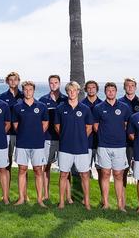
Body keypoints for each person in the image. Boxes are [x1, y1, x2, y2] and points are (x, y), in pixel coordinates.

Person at [54, 81, 95, 210]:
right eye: (69, 91)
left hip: (81, 148)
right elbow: (57, 127)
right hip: (65, 148)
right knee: (63, 174)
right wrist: (66, 137)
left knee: (85, 175)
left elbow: (89, 127)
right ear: (67, 92)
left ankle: (87, 202)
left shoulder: (85, 109)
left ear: (78, 92)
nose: (72, 93)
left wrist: (80, 138)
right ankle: (61, 202)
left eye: (74, 90)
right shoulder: (60, 108)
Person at [93, 81, 132, 211]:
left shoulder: (124, 107)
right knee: (105, 173)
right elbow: (96, 126)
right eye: (108, 90)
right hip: (103, 145)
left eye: (113, 90)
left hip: (120, 146)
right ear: (105, 92)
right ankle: (106, 203)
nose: (110, 92)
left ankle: (120, 205)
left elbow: (126, 125)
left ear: (116, 92)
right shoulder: (98, 107)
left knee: (118, 174)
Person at [12, 81, 48, 206]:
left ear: (34, 90)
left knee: (38, 170)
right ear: (23, 91)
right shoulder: (17, 107)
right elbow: (16, 125)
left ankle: (39, 200)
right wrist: (24, 133)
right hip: (22, 143)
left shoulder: (41, 106)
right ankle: (21, 198)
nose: (28, 92)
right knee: (22, 169)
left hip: (38, 143)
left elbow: (45, 123)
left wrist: (36, 134)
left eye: (30, 89)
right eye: (26, 89)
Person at [39, 74, 65, 202]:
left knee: (65, 169)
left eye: (56, 82)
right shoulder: (43, 100)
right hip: (47, 138)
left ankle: (67, 197)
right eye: (51, 83)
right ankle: (46, 195)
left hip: (63, 139)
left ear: (59, 83)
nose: (53, 85)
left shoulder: (66, 99)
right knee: (46, 166)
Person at [0, 72, 23, 175]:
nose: (13, 82)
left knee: (23, 164)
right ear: (7, 81)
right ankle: (6, 186)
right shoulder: (2, 97)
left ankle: (23, 186)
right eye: (10, 80)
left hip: (22, 133)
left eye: (15, 79)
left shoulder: (24, 95)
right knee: (7, 162)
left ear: (18, 81)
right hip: (7, 133)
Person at [119, 78, 139, 188]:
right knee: (123, 169)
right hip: (124, 142)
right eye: (127, 85)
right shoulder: (119, 102)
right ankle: (122, 196)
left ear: (135, 87)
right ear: (124, 87)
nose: (130, 87)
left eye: (132, 85)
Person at [82, 80, 102, 180]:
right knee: (84, 171)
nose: (91, 90)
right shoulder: (81, 105)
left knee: (102, 172)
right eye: (89, 88)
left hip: (100, 143)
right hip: (86, 143)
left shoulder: (102, 104)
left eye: (93, 87)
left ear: (97, 89)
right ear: (85, 90)